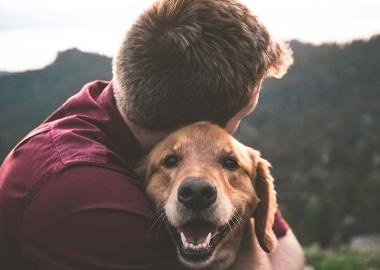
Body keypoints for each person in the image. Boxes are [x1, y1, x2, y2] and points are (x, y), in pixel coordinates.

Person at [0, 0, 304, 269]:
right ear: (201, 124)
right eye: (242, 116)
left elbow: (286, 243)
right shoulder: (85, 198)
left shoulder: (122, 105)